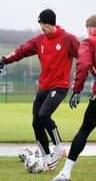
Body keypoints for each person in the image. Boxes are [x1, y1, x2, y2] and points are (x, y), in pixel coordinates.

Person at [0, 9, 80, 170]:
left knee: (44, 114)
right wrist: (4, 60)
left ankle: (59, 148)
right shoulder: (39, 40)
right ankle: (47, 158)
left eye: (45, 25)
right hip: (44, 86)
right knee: (36, 122)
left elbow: (84, 57)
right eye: (41, 24)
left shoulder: (68, 39)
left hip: (60, 85)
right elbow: (22, 50)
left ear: (52, 23)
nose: (42, 27)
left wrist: (83, 81)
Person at [52, 15, 96, 181]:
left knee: (84, 131)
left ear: (90, 28)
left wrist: (77, 89)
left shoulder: (89, 42)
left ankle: (66, 172)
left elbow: (84, 64)